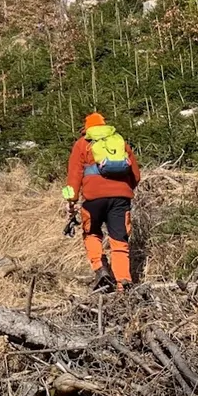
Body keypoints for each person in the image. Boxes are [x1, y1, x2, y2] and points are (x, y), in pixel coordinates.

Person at [63, 112, 141, 292]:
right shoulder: (120, 142)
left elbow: (74, 176)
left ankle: (100, 268)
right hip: (121, 199)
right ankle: (123, 282)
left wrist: (71, 200)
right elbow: (136, 175)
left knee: (92, 233)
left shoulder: (82, 144)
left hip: (93, 199)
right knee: (119, 239)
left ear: (86, 128)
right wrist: (123, 190)